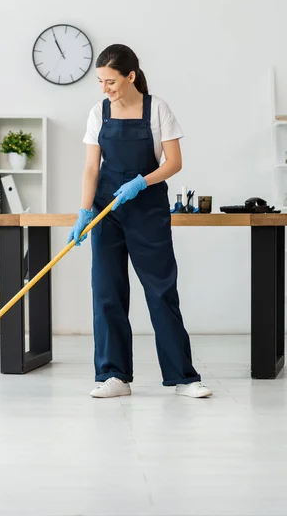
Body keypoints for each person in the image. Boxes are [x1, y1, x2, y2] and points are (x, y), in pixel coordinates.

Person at [68, 44, 212, 399]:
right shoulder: (98, 112)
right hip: (106, 210)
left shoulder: (157, 109)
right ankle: (113, 376)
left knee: (161, 291)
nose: (105, 88)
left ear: (131, 76)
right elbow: (90, 167)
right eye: (100, 81)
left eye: (111, 81)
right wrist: (84, 212)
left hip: (146, 207)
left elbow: (173, 163)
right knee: (107, 292)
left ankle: (183, 377)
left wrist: (142, 181)